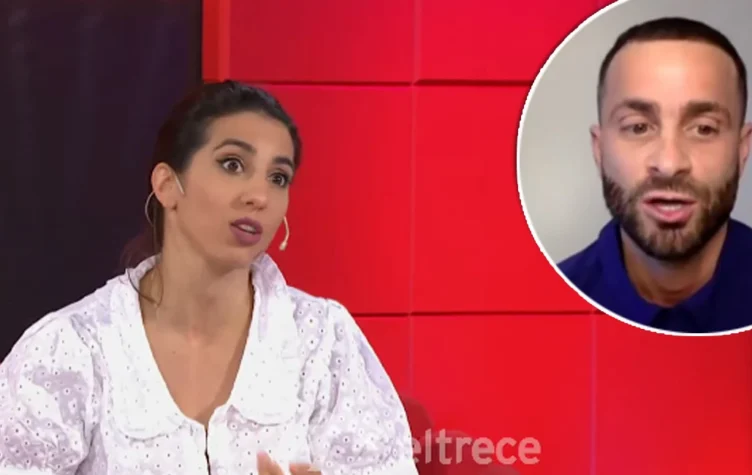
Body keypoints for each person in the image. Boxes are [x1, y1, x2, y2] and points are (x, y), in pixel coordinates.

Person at [0, 81, 418, 475]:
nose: (259, 196)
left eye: (278, 177)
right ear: (167, 185)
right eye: (232, 164)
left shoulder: (323, 341)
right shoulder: (70, 351)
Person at [558, 17, 752, 333]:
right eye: (638, 127)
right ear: (599, 149)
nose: (669, 163)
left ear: (742, 150)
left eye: (704, 129)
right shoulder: (541, 304)